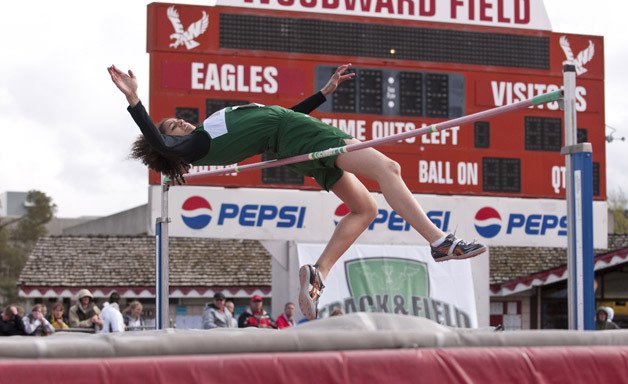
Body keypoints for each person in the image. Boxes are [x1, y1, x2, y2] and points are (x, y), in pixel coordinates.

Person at [108, 63, 486, 320]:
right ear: (173, 149)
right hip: (296, 135)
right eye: (171, 127)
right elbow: (160, 143)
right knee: (389, 168)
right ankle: (438, 241)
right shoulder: (197, 146)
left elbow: (280, 115)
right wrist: (133, 99)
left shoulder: (212, 127)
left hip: (292, 136)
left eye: (173, 121)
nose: (176, 122)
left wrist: (323, 93)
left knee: (365, 208)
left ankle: (318, 273)